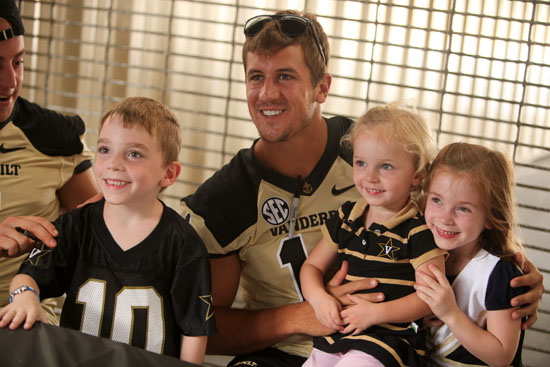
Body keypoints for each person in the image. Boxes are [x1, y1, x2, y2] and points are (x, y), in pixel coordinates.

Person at [178, 9, 544, 367]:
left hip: (386, 338)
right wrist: (301, 316)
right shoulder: (222, 202)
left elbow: (457, 202)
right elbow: (202, 328)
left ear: (322, 87)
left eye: (285, 76)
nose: (267, 94)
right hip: (283, 351)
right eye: (256, 77)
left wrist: (509, 271)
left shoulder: (374, 148)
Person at [0, 97, 216, 365]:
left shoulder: (183, 244)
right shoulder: (75, 227)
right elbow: (28, 276)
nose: (113, 163)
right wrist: (25, 298)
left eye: (133, 154)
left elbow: (194, 330)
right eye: (104, 150)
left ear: (168, 174)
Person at [301, 104, 446, 367]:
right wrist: (319, 298)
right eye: (361, 163)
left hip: (391, 343)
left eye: (386, 166)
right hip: (337, 337)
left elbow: (431, 297)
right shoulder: (347, 218)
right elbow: (311, 267)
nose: (370, 177)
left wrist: (376, 313)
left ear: (417, 175)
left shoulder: (419, 230)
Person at [0, 0, 98, 325]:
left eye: (18, 62)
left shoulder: (53, 136)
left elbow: (96, 224)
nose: (10, 82)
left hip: (27, 327)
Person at [415, 142, 529, 366]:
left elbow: (502, 356)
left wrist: (450, 314)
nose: (445, 218)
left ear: (490, 216)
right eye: (437, 200)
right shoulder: (416, 250)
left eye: (463, 208)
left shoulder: (500, 273)